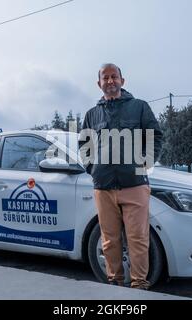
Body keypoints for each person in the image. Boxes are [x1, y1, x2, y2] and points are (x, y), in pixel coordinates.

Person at [79, 63, 163, 289]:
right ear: (99, 84)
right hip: (103, 187)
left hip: (134, 185)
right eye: (105, 78)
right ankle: (114, 283)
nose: (110, 81)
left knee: (138, 239)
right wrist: (93, 169)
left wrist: (144, 164)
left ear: (122, 81)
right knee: (109, 240)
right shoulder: (91, 115)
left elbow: (155, 137)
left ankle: (139, 286)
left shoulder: (139, 107)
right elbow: (84, 146)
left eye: (114, 77)